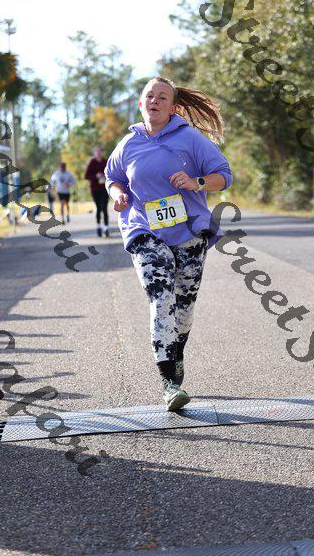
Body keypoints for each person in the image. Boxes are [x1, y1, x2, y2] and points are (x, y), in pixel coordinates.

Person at [105, 77, 233, 411]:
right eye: (149, 96)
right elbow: (113, 177)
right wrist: (118, 194)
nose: (155, 101)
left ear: (173, 107)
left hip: (189, 233)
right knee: (161, 298)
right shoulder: (128, 143)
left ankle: (175, 356)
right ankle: (170, 383)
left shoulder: (190, 139)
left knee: (184, 308)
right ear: (140, 104)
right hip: (144, 230)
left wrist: (196, 181)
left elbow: (224, 175)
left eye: (162, 97)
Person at [84, 146, 110, 237]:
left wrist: (104, 175)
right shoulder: (92, 162)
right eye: (97, 152)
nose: (98, 153)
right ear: (94, 154)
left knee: (104, 208)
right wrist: (96, 176)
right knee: (98, 208)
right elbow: (86, 176)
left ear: (102, 153)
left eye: (100, 152)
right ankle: (98, 226)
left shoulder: (105, 162)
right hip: (95, 189)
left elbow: (111, 173)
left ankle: (106, 228)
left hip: (104, 188)